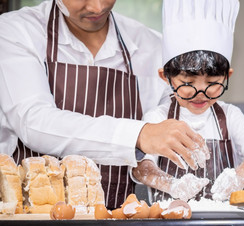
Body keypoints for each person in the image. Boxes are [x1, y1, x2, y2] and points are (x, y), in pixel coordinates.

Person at [0, 0, 208, 209]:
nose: (97, 7)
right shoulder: (16, 31)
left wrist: (154, 167)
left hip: (118, 217)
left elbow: (169, 126)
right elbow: (34, 122)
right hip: (31, 217)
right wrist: (139, 135)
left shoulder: (153, 47)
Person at [132, 0, 244, 203]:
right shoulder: (157, 118)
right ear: (165, 77)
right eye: (188, 82)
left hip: (225, 219)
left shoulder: (231, 116)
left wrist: (240, 176)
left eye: (212, 83)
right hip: (170, 218)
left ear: (227, 77)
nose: (200, 93)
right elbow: (141, 167)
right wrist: (171, 184)